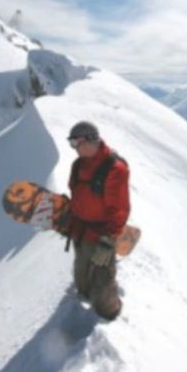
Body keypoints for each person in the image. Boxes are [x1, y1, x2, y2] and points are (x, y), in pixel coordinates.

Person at [66, 121, 130, 321]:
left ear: (91, 140)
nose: (74, 148)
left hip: (102, 235)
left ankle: (111, 315)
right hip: (80, 232)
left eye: (77, 142)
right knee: (82, 280)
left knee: (102, 286)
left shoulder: (114, 169)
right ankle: (85, 300)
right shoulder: (78, 165)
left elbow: (119, 209)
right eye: (72, 143)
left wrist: (109, 240)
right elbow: (76, 194)